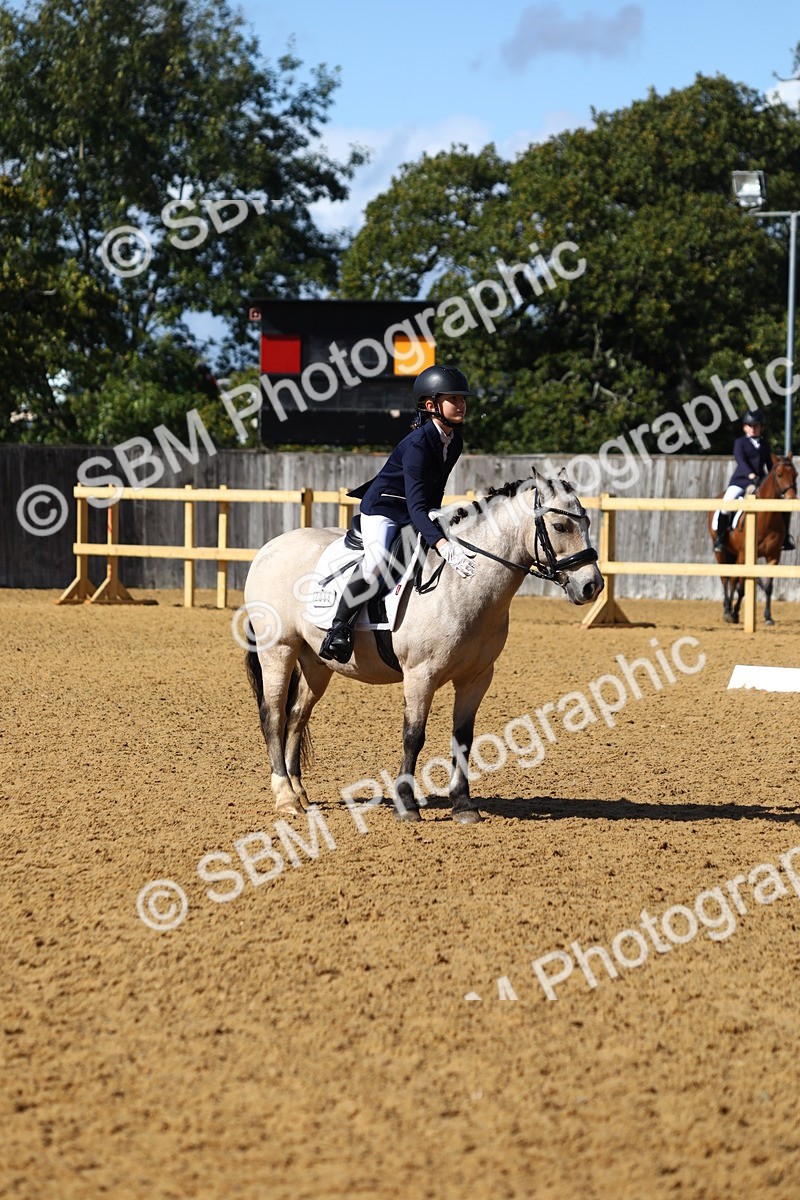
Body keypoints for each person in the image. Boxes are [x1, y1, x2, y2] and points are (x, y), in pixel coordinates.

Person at [318, 364, 477, 664]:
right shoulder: (418, 444)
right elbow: (415, 507)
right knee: (377, 563)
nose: (461, 404)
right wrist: (444, 546)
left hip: (415, 507)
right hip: (384, 509)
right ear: (431, 406)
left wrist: (437, 517)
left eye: (462, 398)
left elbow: (434, 491)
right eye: (453, 398)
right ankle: (338, 628)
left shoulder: (454, 441)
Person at [713, 408, 795, 552]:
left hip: (760, 482)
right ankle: (720, 539)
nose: (752, 428)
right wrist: (751, 475)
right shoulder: (740, 443)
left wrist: (771, 478)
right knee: (726, 503)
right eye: (749, 426)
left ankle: (785, 538)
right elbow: (741, 460)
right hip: (741, 481)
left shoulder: (765, 445)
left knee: (782, 506)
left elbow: (771, 467)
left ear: (761, 428)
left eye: (756, 426)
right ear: (745, 427)